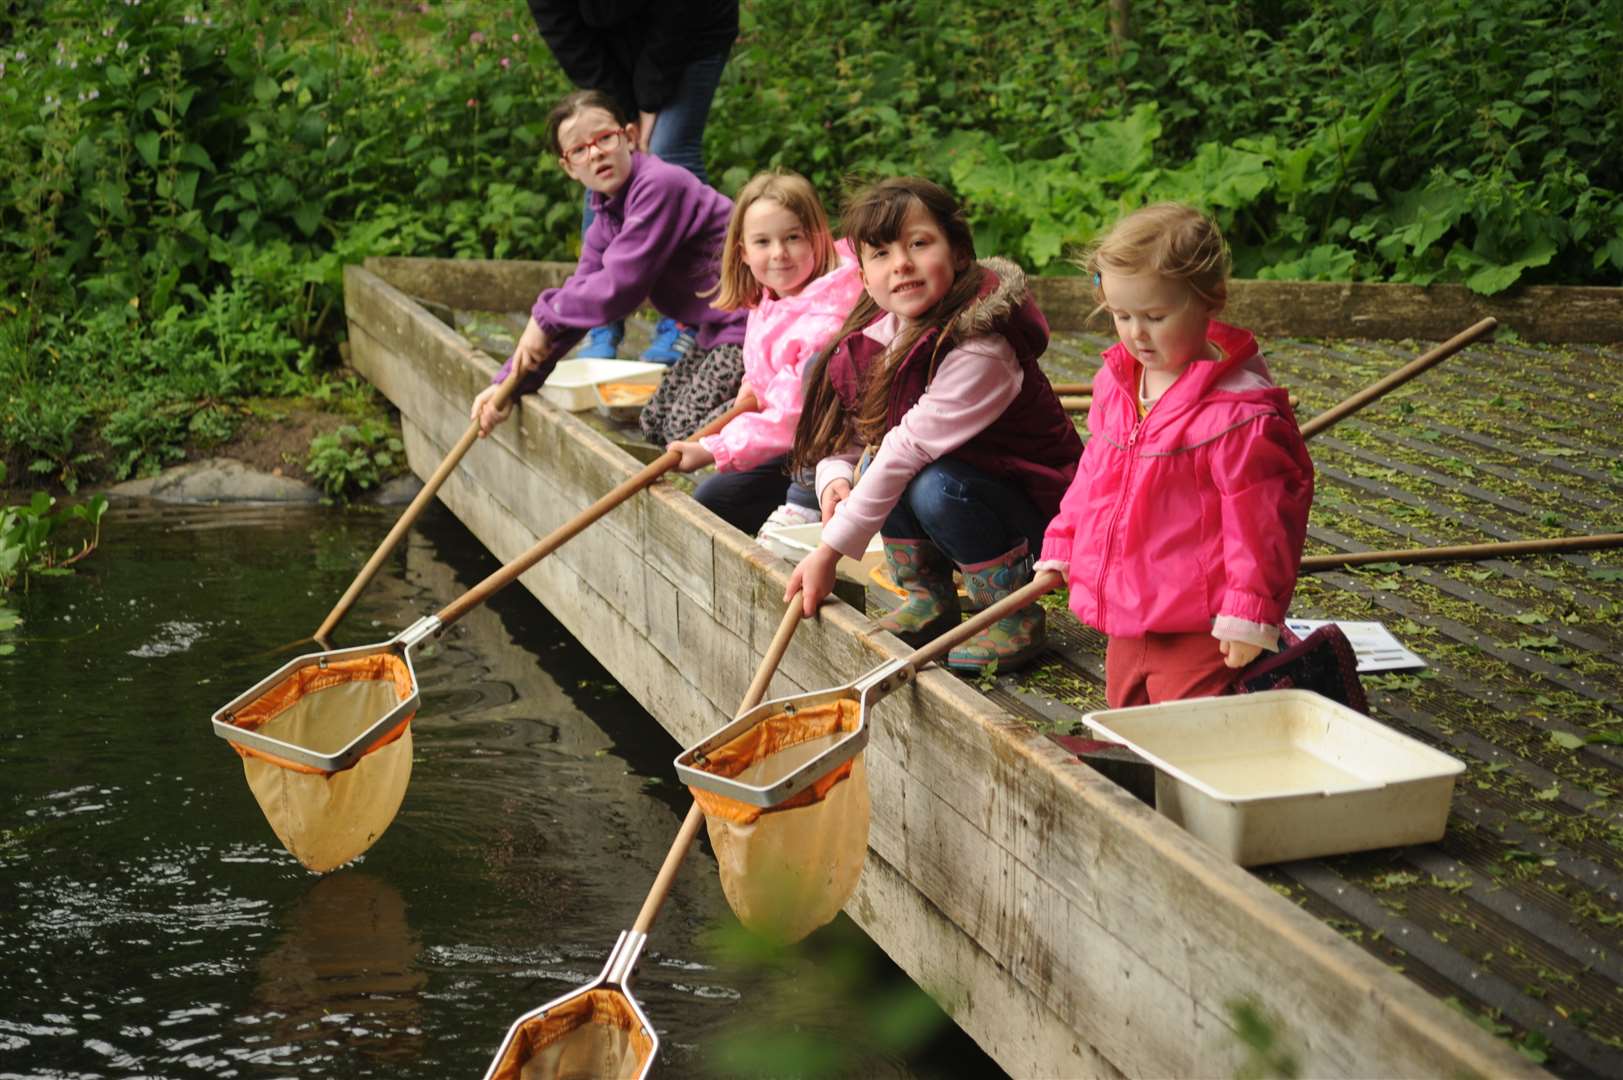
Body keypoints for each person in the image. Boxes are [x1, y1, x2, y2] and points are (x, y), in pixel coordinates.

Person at [784, 178, 1082, 673]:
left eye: (919, 244)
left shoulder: (983, 347)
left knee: (931, 484)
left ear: (960, 252)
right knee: (883, 467)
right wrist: (835, 480)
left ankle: (1011, 615)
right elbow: (861, 435)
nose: (900, 263)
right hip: (974, 491)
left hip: (1044, 517)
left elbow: (904, 449)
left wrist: (829, 553)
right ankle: (930, 597)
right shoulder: (884, 339)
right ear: (863, 276)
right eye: (880, 254)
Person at [1034, 203, 1314, 708]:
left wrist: (1251, 612)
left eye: (1156, 317)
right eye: (1122, 316)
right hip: (1128, 612)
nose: (1136, 333)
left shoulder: (1238, 415)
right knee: (1128, 724)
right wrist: (1064, 539)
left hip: (1199, 627)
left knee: (1185, 734)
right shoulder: (1119, 384)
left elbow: (1264, 524)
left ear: (1211, 301)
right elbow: (1095, 477)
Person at [470, 90, 746, 439]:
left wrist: (544, 317)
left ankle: (772, 417)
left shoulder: (660, 185)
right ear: (568, 167)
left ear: (629, 137)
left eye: (604, 138)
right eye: (579, 149)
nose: (596, 152)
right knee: (655, 422)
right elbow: (582, 295)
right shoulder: (607, 214)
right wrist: (508, 386)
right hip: (714, 330)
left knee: (683, 429)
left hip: (749, 325)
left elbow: (618, 287)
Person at [527, 0, 738, 363]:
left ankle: (687, 320)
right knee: (603, 166)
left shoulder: (662, 184)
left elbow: (678, 16)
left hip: (690, 30)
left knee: (669, 150)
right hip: (610, 48)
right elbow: (565, 33)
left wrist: (650, 101)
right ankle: (599, 323)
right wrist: (620, 117)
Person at [664, 171, 864, 536]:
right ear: (743, 251)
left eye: (793, 237)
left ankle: (803, 510)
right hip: (789, 442)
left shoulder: (828, 316)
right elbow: (769, 368)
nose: (779, 254)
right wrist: (751, 385)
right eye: (763, 241)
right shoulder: (770, 297)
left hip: (836, 452)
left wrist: (714, 450)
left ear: (818, 238)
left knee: (724, 490)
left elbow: (792, 414)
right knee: (713, 500)